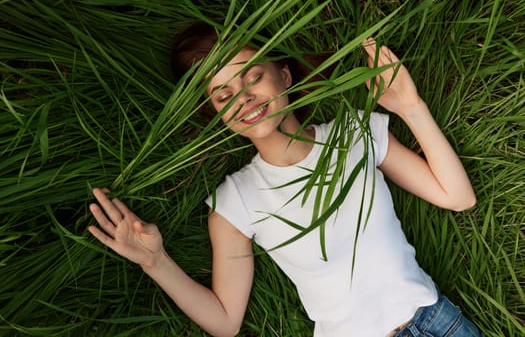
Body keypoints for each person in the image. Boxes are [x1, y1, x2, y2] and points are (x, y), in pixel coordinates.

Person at [87, 22, 482, 336]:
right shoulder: (234, 201)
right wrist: (156, 263)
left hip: (439, 324)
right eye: (223, 96)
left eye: (251, 77)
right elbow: (226, 321)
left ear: (285, 74)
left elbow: (458, 196)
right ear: (218, 116)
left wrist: (410, 106)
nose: (243, 98)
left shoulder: (356, 132)